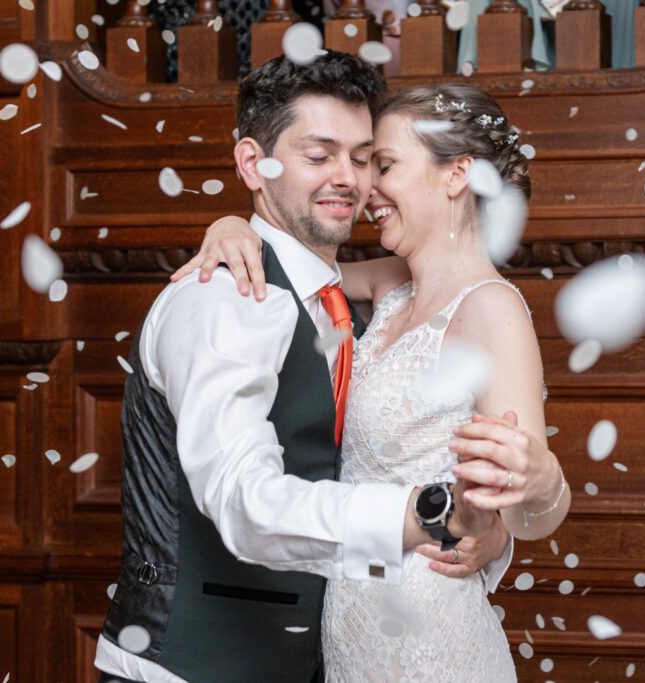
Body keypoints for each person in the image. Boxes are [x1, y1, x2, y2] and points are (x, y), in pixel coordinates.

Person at [95, 53, 547, 683]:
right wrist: (427, 516)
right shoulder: (223, 299)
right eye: (319, 155)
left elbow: (498, 468)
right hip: (190, 665)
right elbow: (244, 504)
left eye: (366, 158)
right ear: (254, 163)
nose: (352, 181)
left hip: (352, 647)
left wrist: (495, 534)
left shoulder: (360, 296)